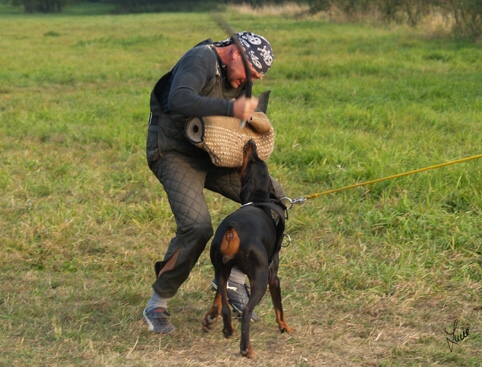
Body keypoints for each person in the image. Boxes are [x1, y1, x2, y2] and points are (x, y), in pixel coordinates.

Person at [143, 31, 285, 334]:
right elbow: (178, 98)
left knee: (275, 200)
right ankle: (157, 303)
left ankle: (233, 281)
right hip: (174, 151)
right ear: (235, 53)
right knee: (197, 227)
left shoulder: (238, 75)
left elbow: (241, 113)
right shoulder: (201, 58)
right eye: (250, 72)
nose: (251, 80)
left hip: (217, 152)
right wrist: (232, 109)